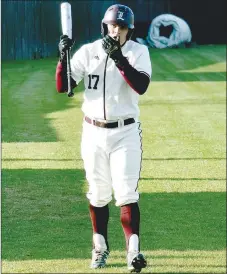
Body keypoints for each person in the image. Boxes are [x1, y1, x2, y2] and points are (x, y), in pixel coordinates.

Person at [56, 4, 152, 273]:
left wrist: (119, 58)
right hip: (93, 132)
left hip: (126, 132)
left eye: (121, 27)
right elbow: (64, 85)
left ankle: (133, 253)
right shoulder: (89, 52)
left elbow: (141, 86)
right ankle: (99, 248)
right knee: (98, 193)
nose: (116, 30)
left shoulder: (138, 52)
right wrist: (62, 56)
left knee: (125, 192)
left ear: (129, 31)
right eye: (112, 25)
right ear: (104, 26)